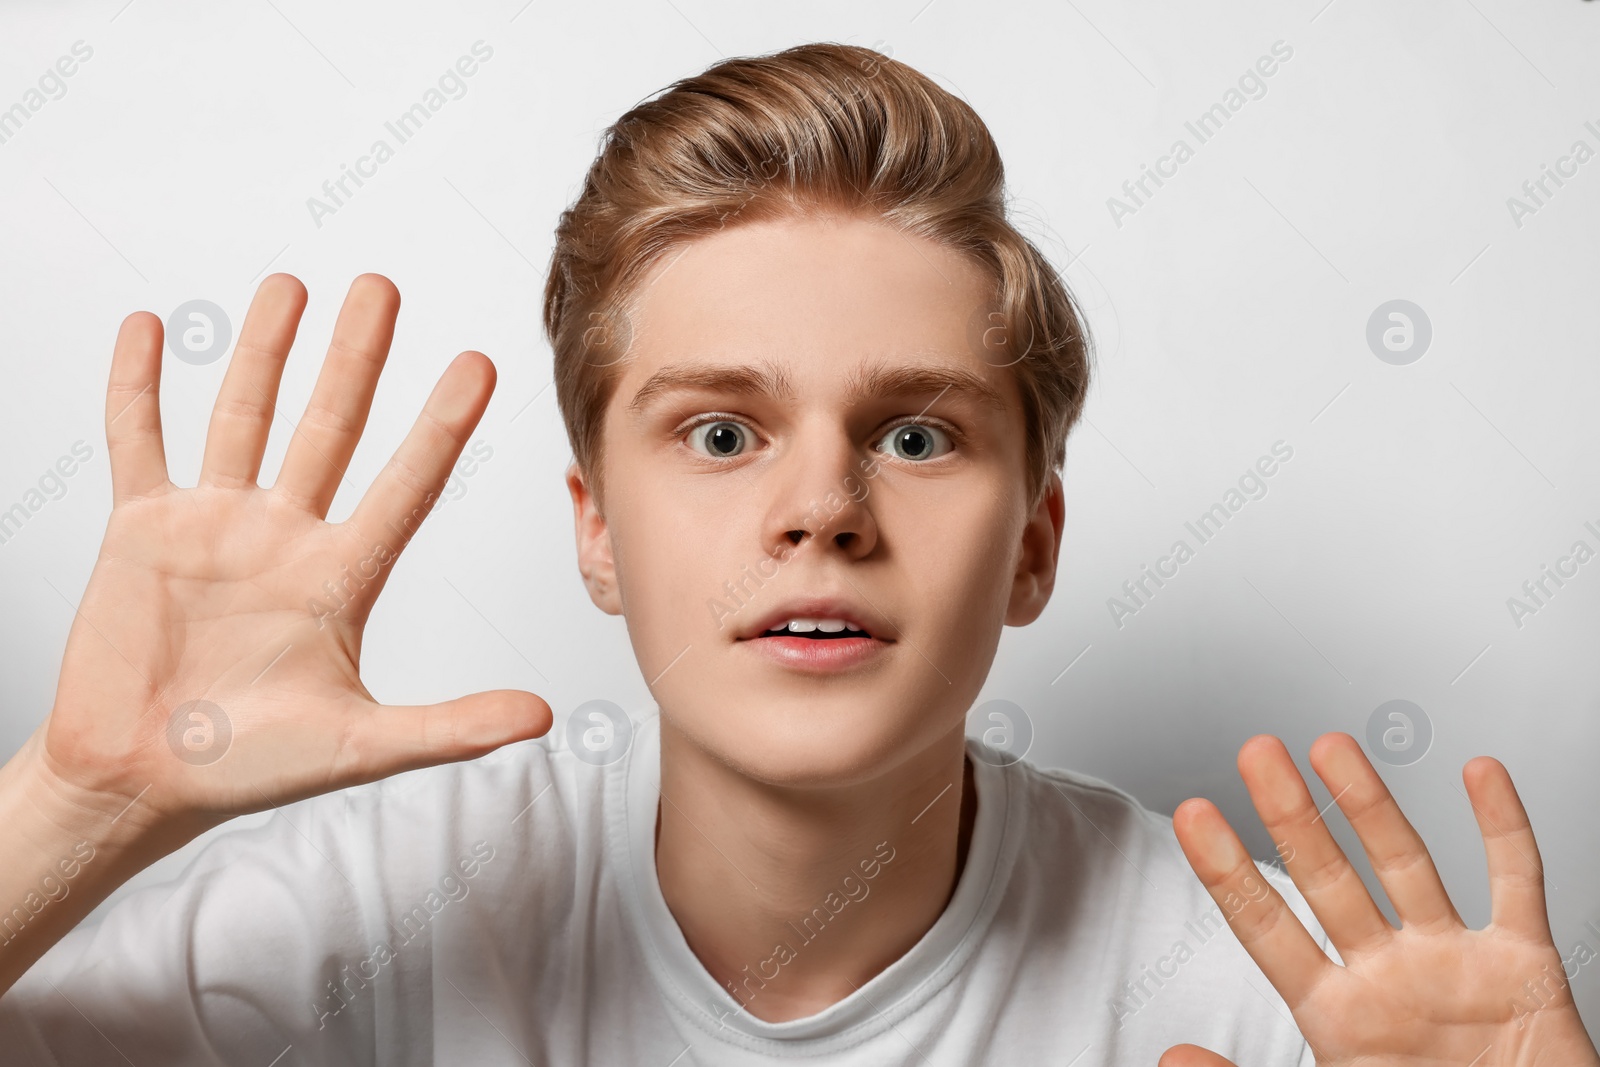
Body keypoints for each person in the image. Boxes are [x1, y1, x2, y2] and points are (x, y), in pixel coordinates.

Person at [0, 41, 1592, 1066]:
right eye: (719, 433)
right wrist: (79, 802)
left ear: (1033, 548)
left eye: (916, 435)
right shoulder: (378, 912)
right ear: (596, 534)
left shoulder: (1260, 989)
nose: (820, 508)